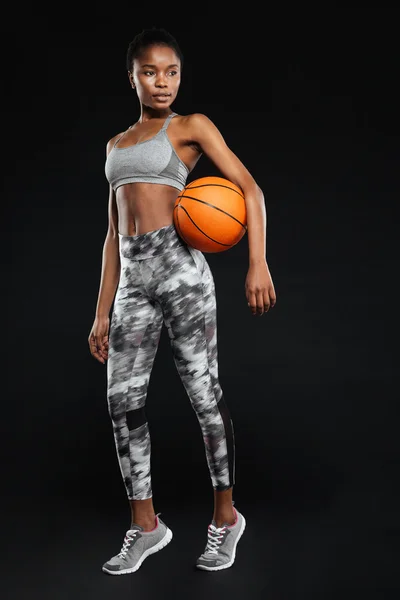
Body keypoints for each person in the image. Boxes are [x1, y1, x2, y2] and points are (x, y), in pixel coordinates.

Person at [88, 27, 276, 575]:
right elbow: (111, 235)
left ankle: (225, 518)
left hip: (180, 272)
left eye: (171, 71)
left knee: (202, 394)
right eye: (151, 71)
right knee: (123, 402)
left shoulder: (189, 127)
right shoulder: (115, 146)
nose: (163, 81)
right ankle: (146, 527)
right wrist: (101, 311)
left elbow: (250, 190)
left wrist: (257, 261)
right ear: (133, 77)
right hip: (132, 280)